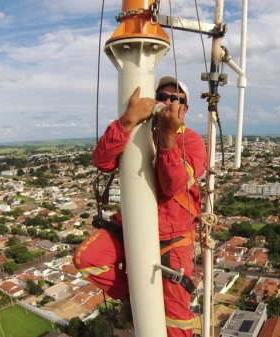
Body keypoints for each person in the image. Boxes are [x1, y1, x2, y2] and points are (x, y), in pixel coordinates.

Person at [75, 76, 206, 337]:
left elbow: (172, 185)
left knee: (175, 322)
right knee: (88, 259)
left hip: (173, 236)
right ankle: (132, 297)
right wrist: (127, 121)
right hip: (133, 225)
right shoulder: (136, 134)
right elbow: (101, 160)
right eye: (161, 96)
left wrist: (168, 137)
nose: (167, 102)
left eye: (175, 99)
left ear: (184, 109)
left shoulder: (191, 142)